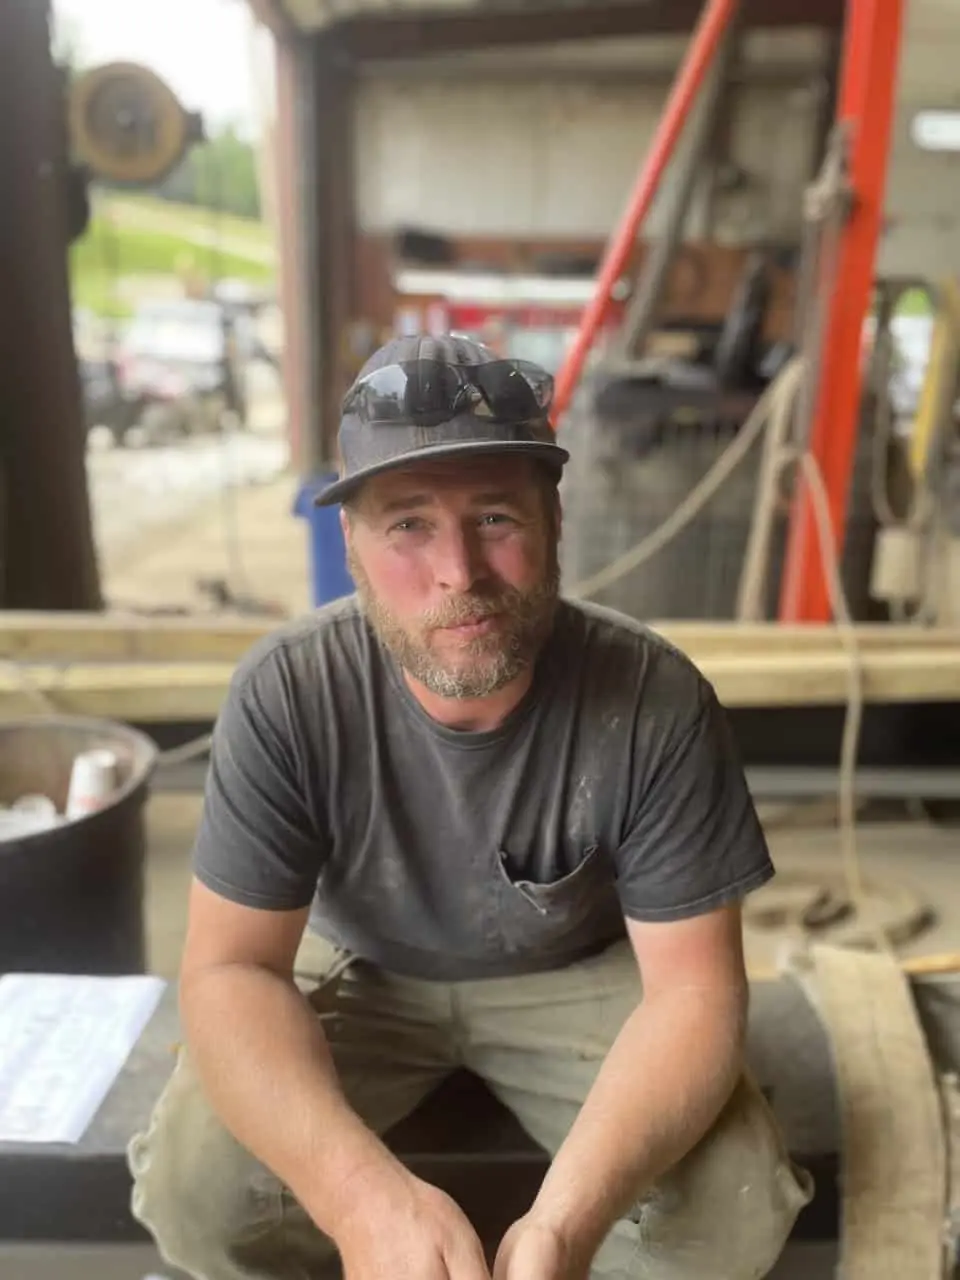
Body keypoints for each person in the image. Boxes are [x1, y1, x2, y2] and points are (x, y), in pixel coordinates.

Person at [128, 335, 813, 1280]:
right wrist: (360, 1203)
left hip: (573, 969)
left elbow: (695, 990)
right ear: (351, 544)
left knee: (731, 1210)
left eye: (494, 516)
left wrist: (564, 1225)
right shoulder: (286, 694)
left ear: (554, 520)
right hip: (361, 964)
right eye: (408, 525)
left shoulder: (655, 700)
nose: (458, 571)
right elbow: (231, 969)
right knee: (198, 1195)